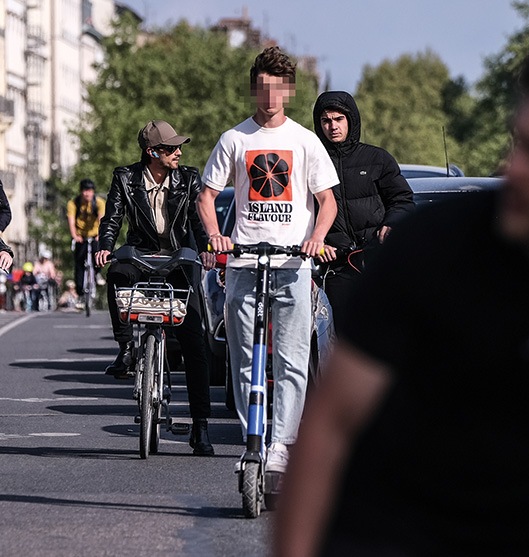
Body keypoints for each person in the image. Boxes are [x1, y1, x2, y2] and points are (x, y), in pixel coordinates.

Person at [276, 34, 529, 556]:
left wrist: (387, 226)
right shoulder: (436, 251)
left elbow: (398, 198)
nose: (515, 170)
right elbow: (329, 428)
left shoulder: (376, 162)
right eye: (519, 142)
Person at [198, 46, 338, 473]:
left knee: (293, 359)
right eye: (263, 88)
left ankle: (282, 446)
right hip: (243, 263)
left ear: (289, 92)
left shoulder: (305, 140)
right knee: (244, 359)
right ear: (254, 89)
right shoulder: (235, 139)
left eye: (278, 89)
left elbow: (327, 201)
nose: (270, 97)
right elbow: (206, 196)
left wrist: (315, 238)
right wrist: (216, 236)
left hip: (292, 265)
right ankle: (253, 438)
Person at [95, 120, 215, 456]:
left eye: (179, 147)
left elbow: (197, 220)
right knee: (118, 270)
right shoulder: (125, 177)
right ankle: (125, 349)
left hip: (179, 258)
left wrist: (204, 247)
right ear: (152, 152)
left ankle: (200, 426)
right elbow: (113, 217)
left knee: (194, 339)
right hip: (141, 253)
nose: (179, 152)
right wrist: (106, 244)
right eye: (171, 148)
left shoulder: (188, 178)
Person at [312, 91, 414, 332]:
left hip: (377, 263)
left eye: (339, 119)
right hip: (335, 270)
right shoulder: (312, 162)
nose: (333, 126)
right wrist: (319, 243)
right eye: (326, 120)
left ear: (351, 120)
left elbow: (402, 200)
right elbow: (302, 214)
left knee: (386, 333)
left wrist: (392, 224)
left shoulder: (378, 159)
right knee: (344, 339)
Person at [67, 179, 106, 299]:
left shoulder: (99, 203)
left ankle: (97, 274)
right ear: (81, 192)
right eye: (85, 191)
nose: (87, 194)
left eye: (89, 191)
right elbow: (71, 221)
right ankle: (79, 292)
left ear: (93, 192)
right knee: (79, 262)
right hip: (80, 236)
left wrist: (100, 234)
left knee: (98, 253)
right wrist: (75, 235)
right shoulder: (74, 204)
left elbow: (102, 219)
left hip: (95, 234)